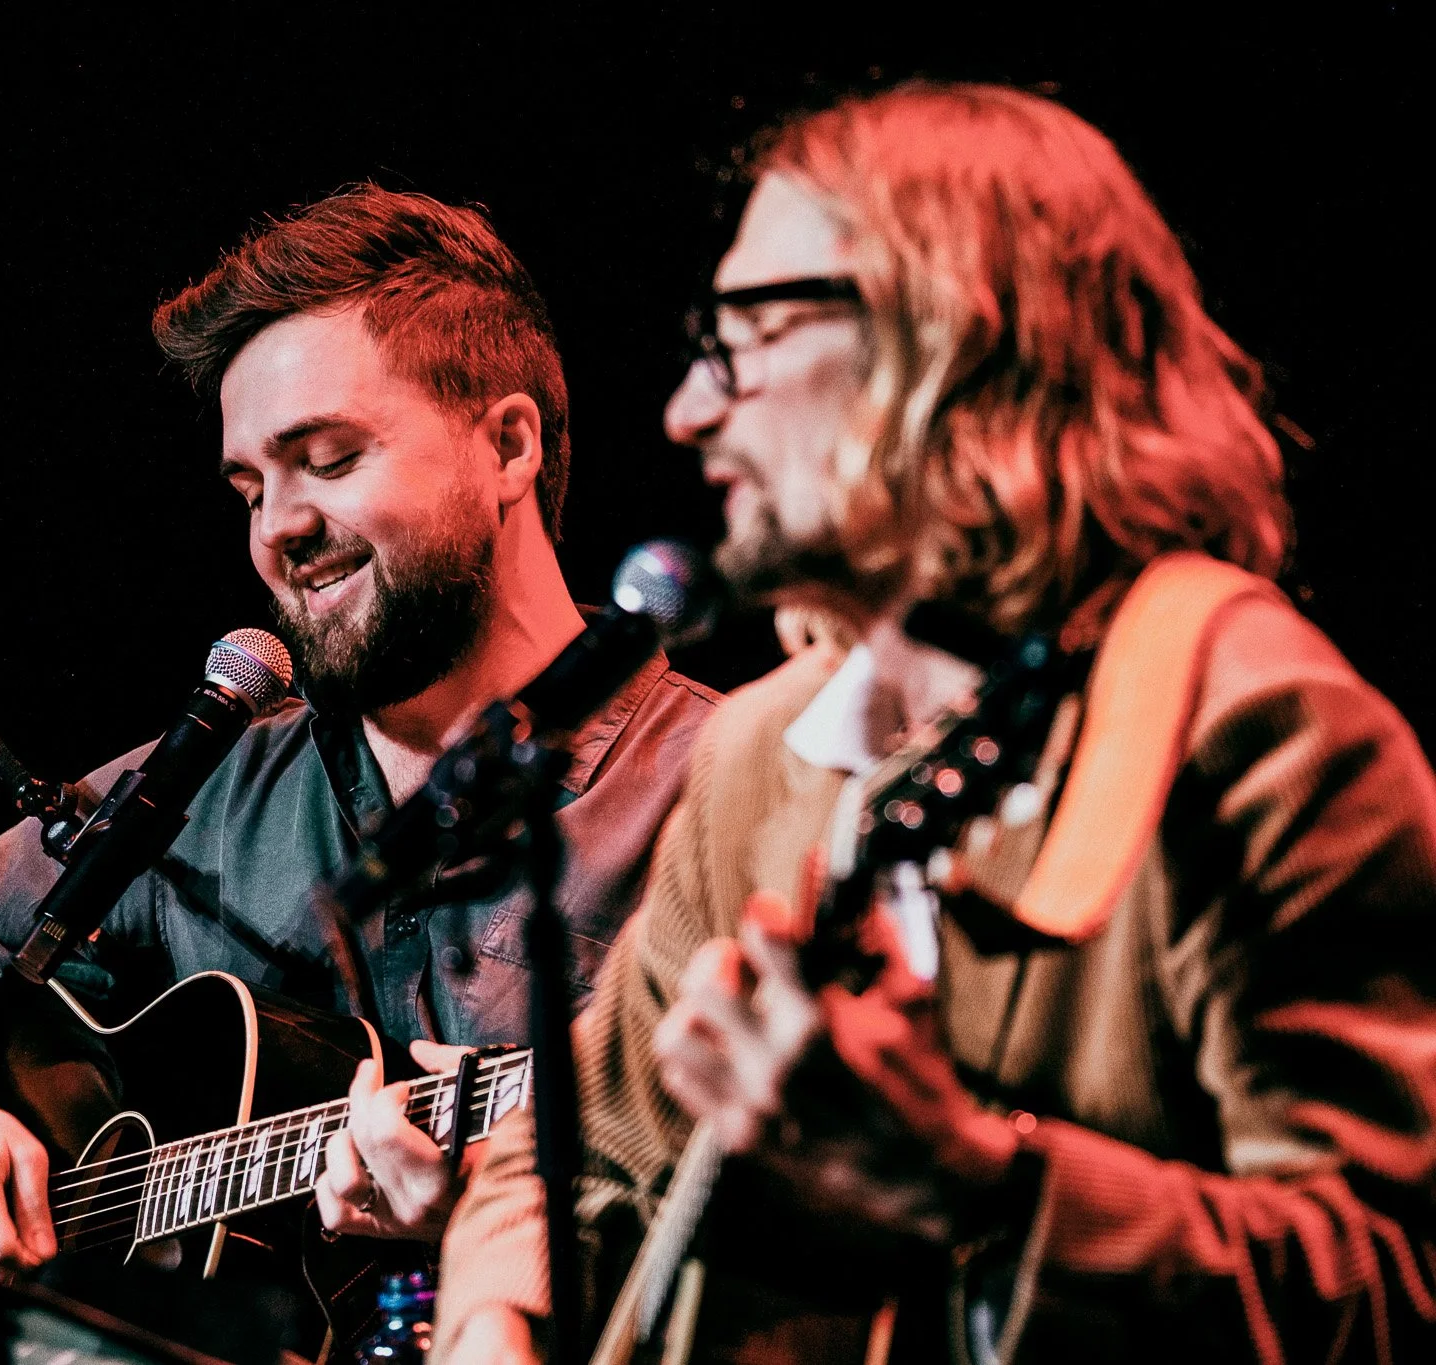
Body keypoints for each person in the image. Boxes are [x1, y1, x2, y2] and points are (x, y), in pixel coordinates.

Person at [435, 83, 1436, 1364]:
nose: (687, 411)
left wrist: (983, 1185)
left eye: (742, 331)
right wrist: (488, 1319)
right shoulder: (762, 751)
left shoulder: (1257, 728)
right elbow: (561, 1146)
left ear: (951, 335)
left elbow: (1393, 1291)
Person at [0, 186, 718, 1281]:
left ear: (508, 444)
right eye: (250, 486)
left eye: (327, 459)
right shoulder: (219, 783)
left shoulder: (723, 789)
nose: (277, 528)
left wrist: (508, 1220)